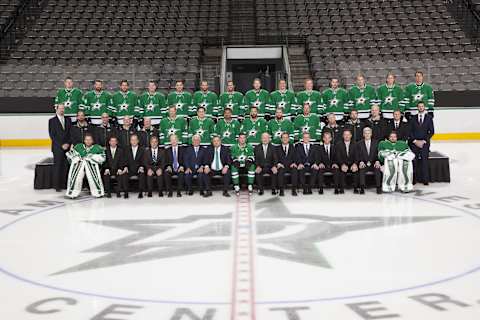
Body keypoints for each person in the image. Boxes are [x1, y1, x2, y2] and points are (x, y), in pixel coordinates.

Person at [65, 133, 106, 198]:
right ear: (84, 140)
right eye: (86, 140)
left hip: (91, 167)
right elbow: (70, 154)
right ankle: (72, 193)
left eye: (90, 140)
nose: (88, 141)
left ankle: (97, 192)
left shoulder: (97, 147)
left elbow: (103, 157)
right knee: (76, 177)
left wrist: (92, 157)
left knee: (94, 178)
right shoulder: (79, 146)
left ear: (92, 141)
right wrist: (77, 157)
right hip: (79, 166)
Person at [409, 101, 434, 185]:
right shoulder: (413, 118)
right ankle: (414, 179)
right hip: (414, 143)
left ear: (424, 107)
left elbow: (431, 132)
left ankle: (425, 180)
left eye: (422, 106)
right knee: (414, 161)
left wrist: (423, 141)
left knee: (424, 161)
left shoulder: (429, 118)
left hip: (424, 143)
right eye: (419, 106)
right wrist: (415, 141)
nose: (420, 108)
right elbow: (410, 131)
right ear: (417, 108)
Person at [48, 104, 72, 192]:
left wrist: (68, 143)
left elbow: (70, 133)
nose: (62, 110)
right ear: (56, 109)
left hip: (67, 147)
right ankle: (57, 185)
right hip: (57, 147)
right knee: (57, 166)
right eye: (60, 109)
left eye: (63, 109)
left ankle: (64, 184)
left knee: (66, 166)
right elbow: (52, 135)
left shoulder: (68, 120)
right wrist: (61, 145)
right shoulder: (52, 121)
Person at [355, 127, 382, 194]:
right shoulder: (359, 143)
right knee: (361, 169)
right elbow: (357, 155)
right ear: (363, 134)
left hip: (373, 162)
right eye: (365, 133)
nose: (367, 135)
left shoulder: (376, 142)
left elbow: (379, 153)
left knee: (377, 168)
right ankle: (362, 187)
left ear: (371, 134)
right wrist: (360, 161)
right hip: (363, 162)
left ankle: (378, 187)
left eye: (368, 133)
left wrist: (378, 161)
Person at [334, 129, 358, 194]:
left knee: (356, 171)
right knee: (341, 171)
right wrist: (342, 164)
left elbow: (357, 155)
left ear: (351, 135)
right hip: (343, 163)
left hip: (352, 163)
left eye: (348, 135)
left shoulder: (355, 144)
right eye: (345, 135)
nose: (347, 136)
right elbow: (338, 156)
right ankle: (341, 188)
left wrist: (355, 164)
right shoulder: (338, 144)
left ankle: (356, 188)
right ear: (343, 136)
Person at [124, 134, 146, 199]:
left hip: (139, 168)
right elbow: (124, 160)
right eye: (132, 140)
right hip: (129, 168)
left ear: (138, 141)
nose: (134, 141)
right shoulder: (126, 149)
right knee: (124, 174)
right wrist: (125, 167)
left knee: (142, 174)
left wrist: (141, 166)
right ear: (130, 141)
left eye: (135, 140)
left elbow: (144, 160)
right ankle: (126, 192)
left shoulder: (142, 149)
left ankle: (140, 192)